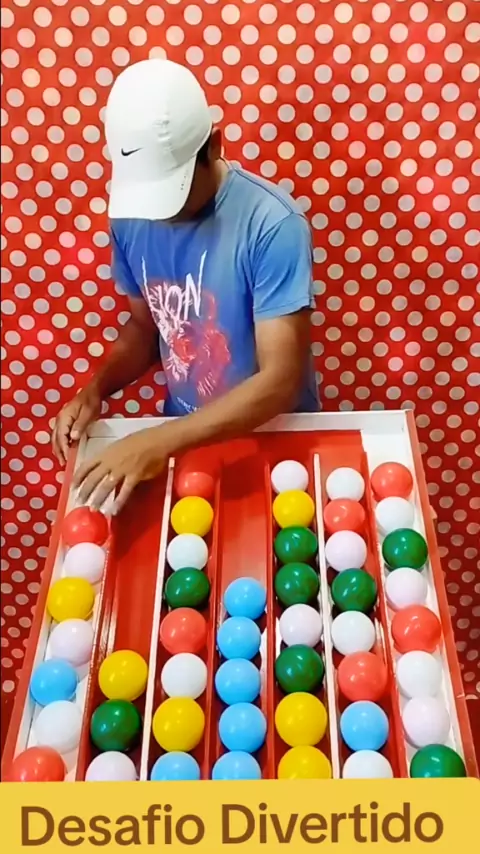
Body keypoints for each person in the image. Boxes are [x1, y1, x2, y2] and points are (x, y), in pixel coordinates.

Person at [52, 59, 319, 514]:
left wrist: (157, 440)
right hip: (184, 437)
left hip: (276, 438)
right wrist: (95, 389)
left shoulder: (273, 224)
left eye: (173, 193)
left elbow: (279, 380)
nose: (160, 215)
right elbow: (145, 328)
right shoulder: (129, 217)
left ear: (214, 145)